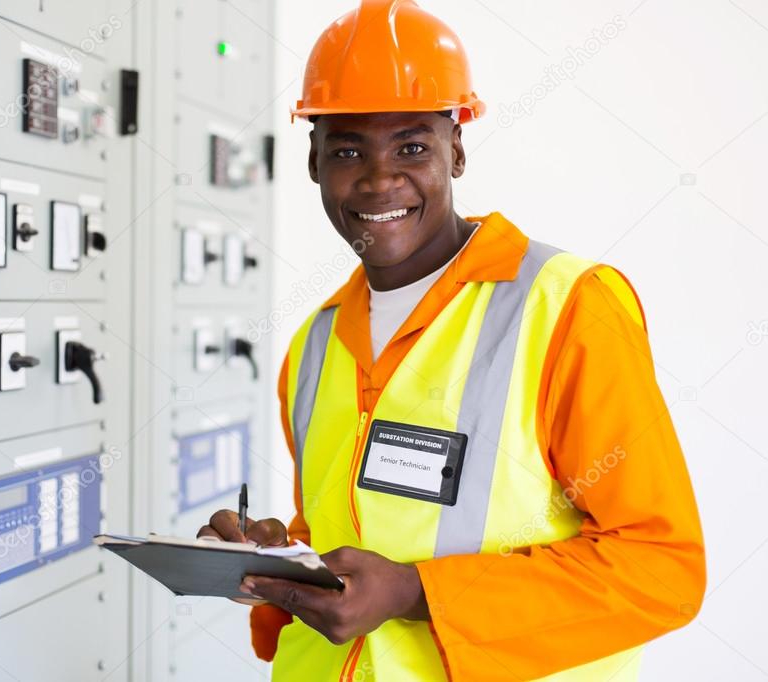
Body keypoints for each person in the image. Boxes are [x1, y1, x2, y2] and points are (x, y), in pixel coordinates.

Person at [197, 1, 705, 679]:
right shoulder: (313, 344)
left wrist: (417, 594)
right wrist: (275, 559)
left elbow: (659, 567)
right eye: (348, 148)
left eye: (411, 146)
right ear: (312, 162)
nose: (379, 178)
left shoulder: (566, 308)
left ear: (456, 151)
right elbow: (353, 532)